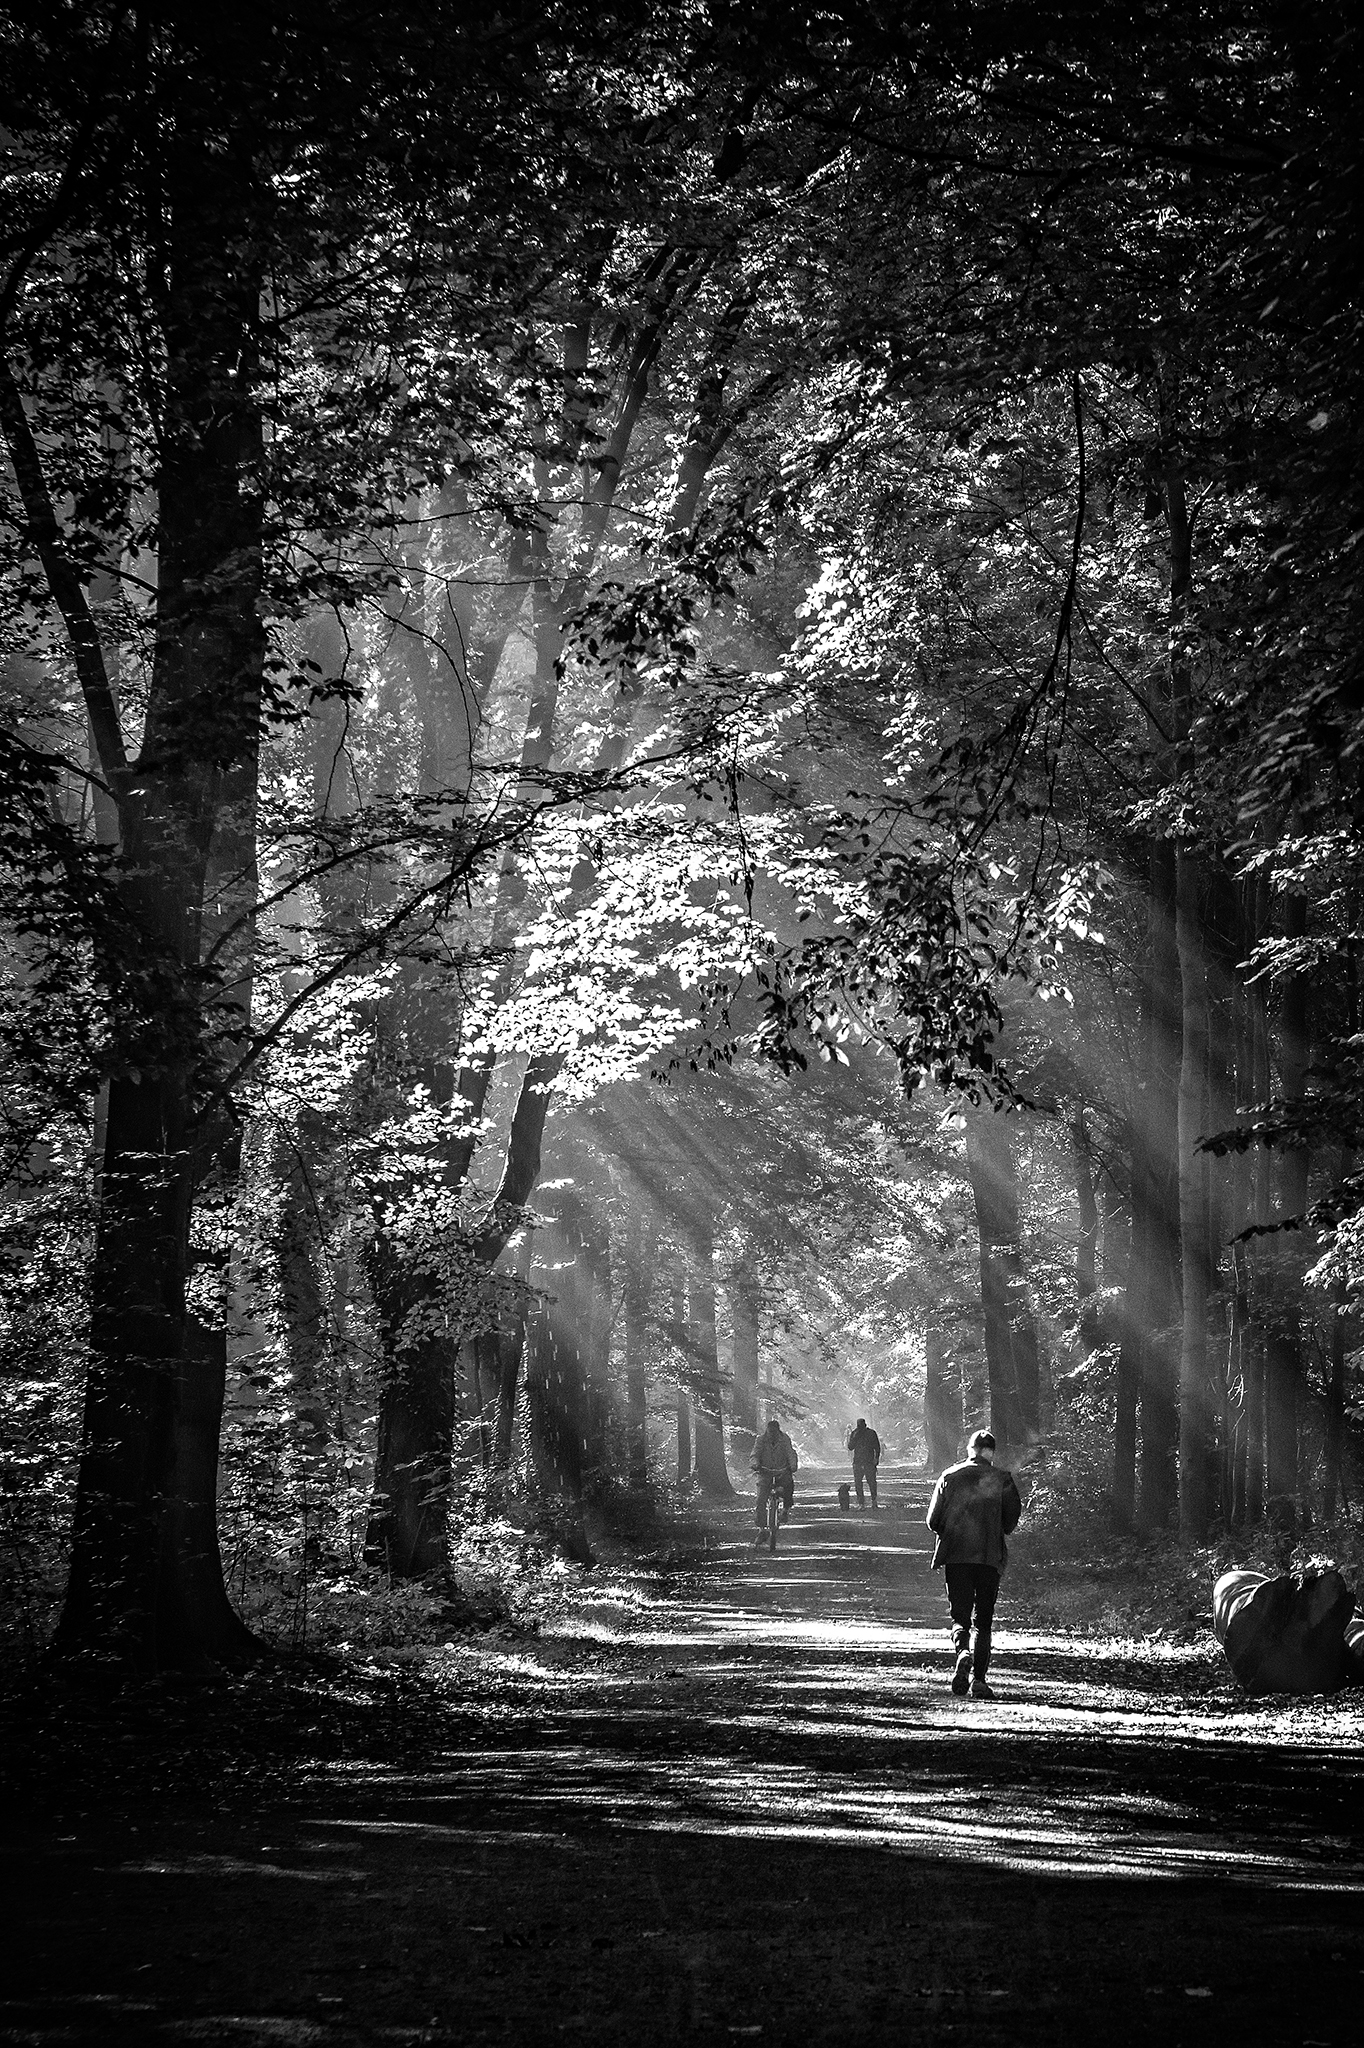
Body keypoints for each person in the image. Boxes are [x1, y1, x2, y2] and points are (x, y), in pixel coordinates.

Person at [926, 1428, 1022, 1699]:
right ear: (991, 1453)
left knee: (960, 1616)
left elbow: (933, 1522)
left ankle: (962, 1651)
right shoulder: (1003, 1479)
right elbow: (1010, 1522)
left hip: (957, 1557)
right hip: (989, 1558)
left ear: (970, 1450)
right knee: (984, 1620)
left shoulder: (949, 1476)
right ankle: (979, 1681)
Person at [751, 1416, 798, 1533]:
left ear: (778, 1431)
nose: (771, 1435)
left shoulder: (785, 1439)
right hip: (764, 1472)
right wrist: (755, 1464)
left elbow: (790, 1453)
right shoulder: (760, 1440)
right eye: (769, 1432)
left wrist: (793, 1466)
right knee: (760, 1500)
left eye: (774, 1432)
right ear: (767, 1430)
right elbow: (755, 1454)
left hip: (782, 1471)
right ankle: (761, 1528)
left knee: (788, 1487)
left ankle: (786, 1510)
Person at [847, 1416, 881, 1510]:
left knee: (871, 1482)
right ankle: (863, 1503)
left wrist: (876, 1458)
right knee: (859, 1483)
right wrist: (854, 1437)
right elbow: (850, 1447)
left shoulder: (870, 1433)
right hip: (859, 1461)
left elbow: (877, 1447)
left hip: (868, 1462)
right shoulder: (856, 1433)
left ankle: (872, 1502)